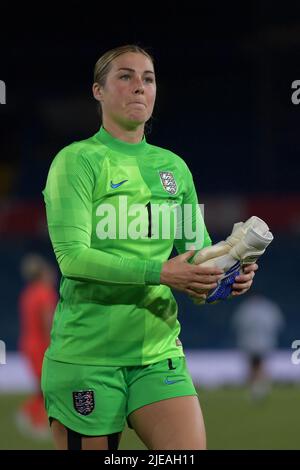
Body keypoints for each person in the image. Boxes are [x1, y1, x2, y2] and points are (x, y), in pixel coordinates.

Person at [41, 44, 258, 450]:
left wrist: (223, 275)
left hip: (159, 355)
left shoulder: (174, 168)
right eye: (125, 76)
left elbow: (195, 255)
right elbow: (72, 258)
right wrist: (160, 272)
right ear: (98, 91)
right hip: (87, 357)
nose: (139, 86)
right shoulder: (77, 161)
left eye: (148, 78)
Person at [16, 253, 58, 438]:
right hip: (42, 345)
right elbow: (47, 320)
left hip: (28, 343)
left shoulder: (28, 293)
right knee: (47, 386)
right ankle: (32, 417)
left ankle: (32, 415)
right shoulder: (45, 292)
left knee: (43, 386)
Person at [232, 292, 285, 401]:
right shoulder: (268, 308)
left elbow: (237, 324)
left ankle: (256, 389)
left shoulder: (246, 308)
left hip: (251, 343)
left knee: (255, 366)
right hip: (262, 343)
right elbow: (278, 323)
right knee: (259, 365)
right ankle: (260, 388)